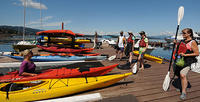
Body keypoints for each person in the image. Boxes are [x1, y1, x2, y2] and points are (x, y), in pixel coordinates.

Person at [174, 28, 199, 100]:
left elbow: (197, 53)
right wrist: (176, 43)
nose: (183, 34)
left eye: (184, 33)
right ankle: (182, 86)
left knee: (182, 74)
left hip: (188, 61)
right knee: (178, 74)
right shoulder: (183, 41)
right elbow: (179, 48)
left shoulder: (193, 42)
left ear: (189, 34)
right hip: (179, 60)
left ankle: (184, 92)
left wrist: (185, 55)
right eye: (182, 33)